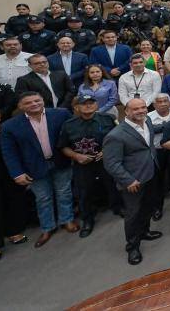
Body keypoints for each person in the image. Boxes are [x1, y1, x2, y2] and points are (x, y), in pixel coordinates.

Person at [0, 92, 76, 247]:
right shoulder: (9, 126)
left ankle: (67, 220)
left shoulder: (61, 114)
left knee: (64, 192)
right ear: (20, 106)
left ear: (43, 100)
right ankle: (47, 228)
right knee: (43, 198)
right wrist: (17, 173)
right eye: (28, 103)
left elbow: (73, 134)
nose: (34, 104)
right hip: (34, 167)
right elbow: (9, 152)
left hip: (60, 161)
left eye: (37, 100)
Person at [102, 98, 162, 265]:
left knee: (147, 208)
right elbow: (111, 163)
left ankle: (145, 232)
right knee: (133, 214)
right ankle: (133, 247)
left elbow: (152, 135)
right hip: (132, 182)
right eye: (136, 109)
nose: (141, 111)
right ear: (126, 111)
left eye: (143, 107)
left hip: (150, 174)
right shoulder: (116, 135)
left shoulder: (147, 121)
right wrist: (128, 180)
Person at [57, 95, 119, 237]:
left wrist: (106, 151)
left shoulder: (108, 119)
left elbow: (118, 137)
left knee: (113, 185)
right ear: (76, 107)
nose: (88, 106)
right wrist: (76, 156)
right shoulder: (69, 125)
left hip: (106, 161)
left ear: (96, 105)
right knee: (84, 192)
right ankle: (88, 220)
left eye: (91, 103)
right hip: (83, 164)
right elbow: (63, 147)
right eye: (83, 104)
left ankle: (118, 208)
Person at [0, 106, 29, 260]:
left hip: (11, 174)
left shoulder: (7, 130)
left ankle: (14, 232)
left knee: (14, 203)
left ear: (0, 117)